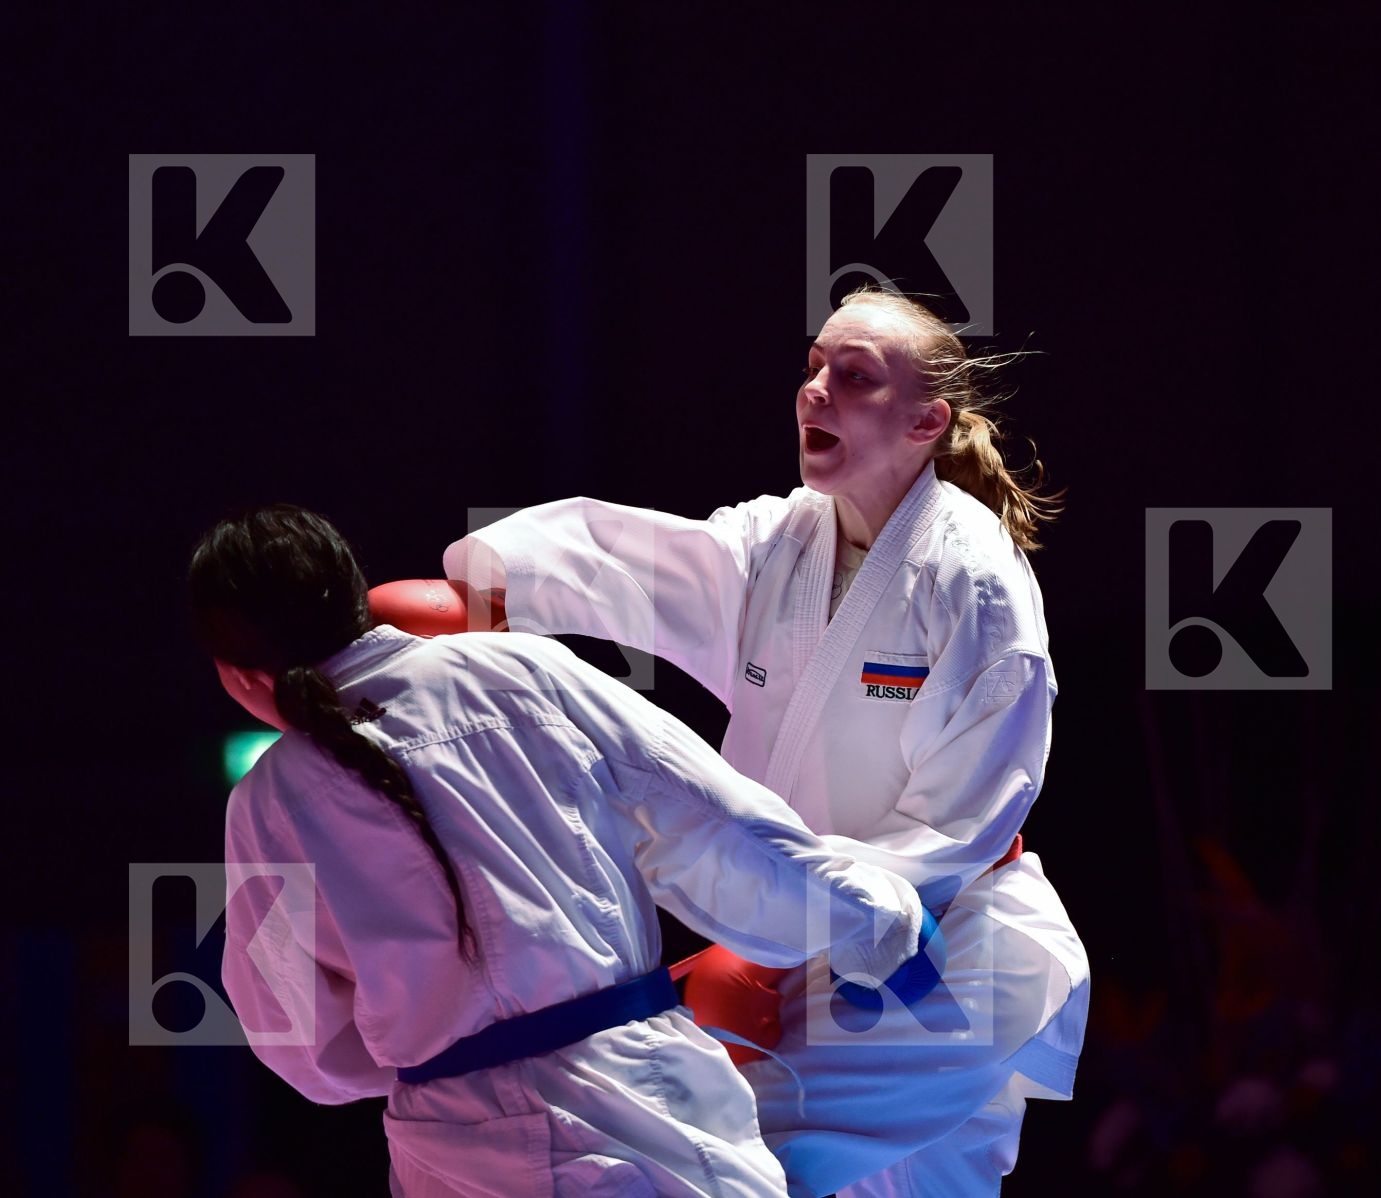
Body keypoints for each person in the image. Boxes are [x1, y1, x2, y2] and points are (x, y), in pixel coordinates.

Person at [372, 285, 1090, 1196]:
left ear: (925, 422)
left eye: (854, 375)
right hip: (816, 939)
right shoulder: (781, 540)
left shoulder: (974, 580)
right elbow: (639, 566)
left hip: (948, 958)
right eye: (813, 367)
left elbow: (962, 826)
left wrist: (779, 923)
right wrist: (497, 588)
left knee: (732, 1165)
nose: (816, 390)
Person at [193, 503, 936, 1197]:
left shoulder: (263, 805)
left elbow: (298, 1042)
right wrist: (875, 919)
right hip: (636, 1098)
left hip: (448, 1142)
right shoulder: (516, 672)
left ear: (239, 676)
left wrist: (424, 1055)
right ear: (356, 596)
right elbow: (711, 810)